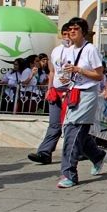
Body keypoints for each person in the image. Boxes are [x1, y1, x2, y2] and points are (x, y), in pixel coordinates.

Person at [56, 17, 107, 188]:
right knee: (76, 132)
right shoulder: (69, 50)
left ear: (83, 32)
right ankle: (97, 155)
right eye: (70, 29)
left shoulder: (90, 49)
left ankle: (69, 173)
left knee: (74, 132)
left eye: (76, 29)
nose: (72, 32)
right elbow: (68, 72)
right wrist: (66, 79)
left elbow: (99, 75)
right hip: (73, 92)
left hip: (87, 93)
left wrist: (79, 70)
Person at [28, 23, 71, 165]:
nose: (67, 37)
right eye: (64, 34)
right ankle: (44, 152)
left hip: (71, 92)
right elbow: (52, 72)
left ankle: (87, 152)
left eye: (69, 34)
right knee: (54, 124)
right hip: (56, 91)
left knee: (73, 126)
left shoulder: (78, 51)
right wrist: (49, 88)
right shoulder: (56, 51)